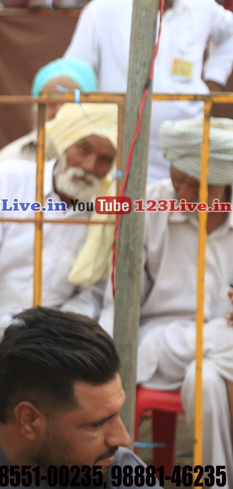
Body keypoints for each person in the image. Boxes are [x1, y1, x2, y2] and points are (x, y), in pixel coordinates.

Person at [0, 102, 119, 409]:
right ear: (65, 144)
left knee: (53, 392)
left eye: (104, 160)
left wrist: (49, 330)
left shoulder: (104, 212)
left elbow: (93, 295)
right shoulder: (11, 179)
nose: (89, 166)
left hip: (50, 330)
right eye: (83, 150)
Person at [97, 117, 233, 466]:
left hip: (217, 355)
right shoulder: (150, 205)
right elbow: (120, 302)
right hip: (160, 346)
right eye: (177, 180)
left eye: (198, 186)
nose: (183, 195)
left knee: (205, 382)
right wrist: (108, 358)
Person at [65, 0, 233, 183]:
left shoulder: (202, 7)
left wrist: (214, 80)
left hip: (185, 161)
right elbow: (75, 73)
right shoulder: (104, 10)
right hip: (117, 157)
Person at [0, 307, 145, 473]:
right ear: (29, 419)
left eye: (116, 414)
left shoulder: (121, 474)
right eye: (96, 424)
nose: (122, 438)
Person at [0, 58, 98, 166]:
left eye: (69, 103)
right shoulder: (10, 159)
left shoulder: (102, 161)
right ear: (37, 108)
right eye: (51, 103)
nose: (59, 111)